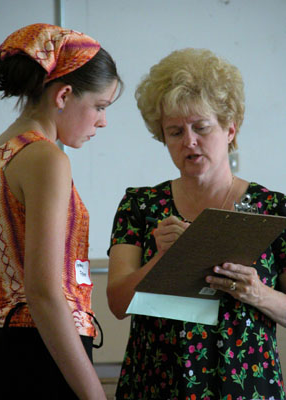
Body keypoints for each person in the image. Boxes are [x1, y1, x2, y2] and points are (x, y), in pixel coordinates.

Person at [107, 48, 286, 399]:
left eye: (201, 127)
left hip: (245, 386)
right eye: (174, 132)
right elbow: (116, 304)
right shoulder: (141, 205)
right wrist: (162, 259)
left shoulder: (272, 209)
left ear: (230, 129)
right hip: (156, 385)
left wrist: (256, 292)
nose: (189, 141)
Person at [0, 23, 123, 399]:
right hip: (39, 351)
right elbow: (45, 293)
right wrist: (94, 395)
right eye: (99, 106)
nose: (102, 121)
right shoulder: (46, 158)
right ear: (63, 95)